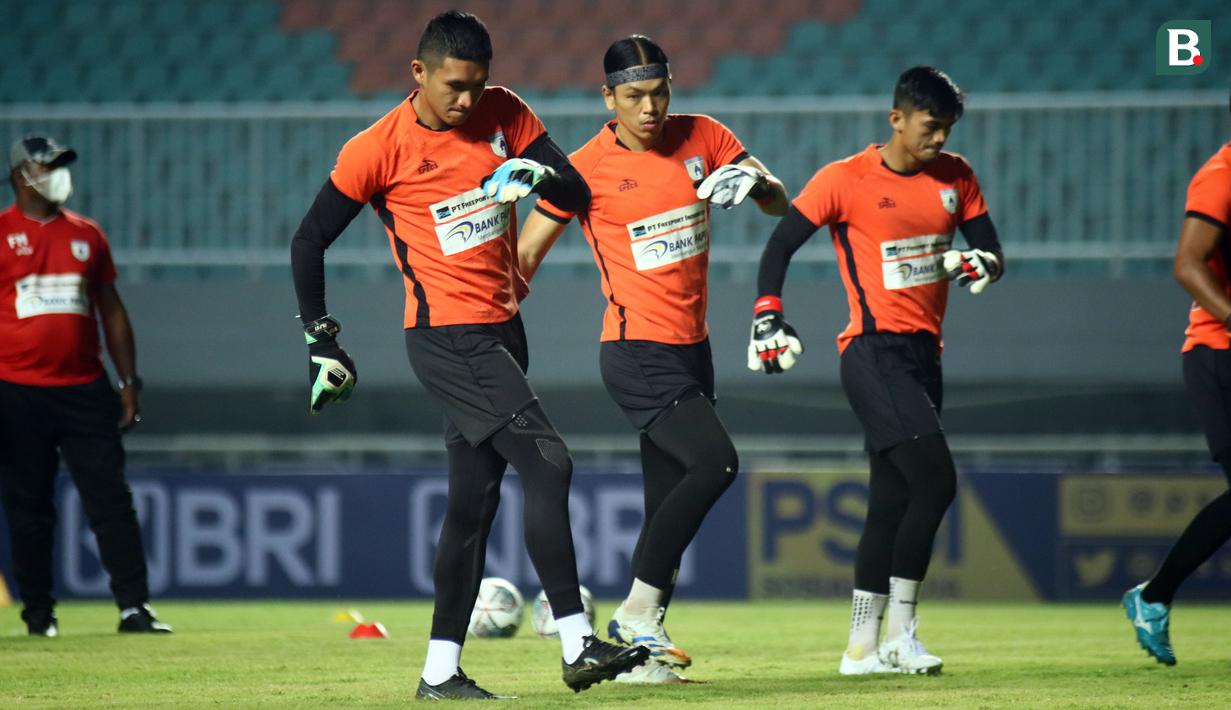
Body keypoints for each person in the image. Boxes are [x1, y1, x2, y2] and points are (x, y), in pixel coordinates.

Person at [288, 11, 647, 699]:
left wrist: (531, 174)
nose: (466, 100)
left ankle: (438, 673)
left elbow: (574, 192)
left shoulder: (503, 111)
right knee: (549, 463)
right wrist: (320, 339)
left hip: (501, 331)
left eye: (478, 85)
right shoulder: (377, 148)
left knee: (470, 510)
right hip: (447, 338)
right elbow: (308, 240)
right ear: (418, 73)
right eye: (455, 85)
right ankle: (576, 643)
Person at [517, 34, 787, 683]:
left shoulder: (705, 137)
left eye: (659, 91)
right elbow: (524, 256)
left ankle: (641, 654)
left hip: (694, 350)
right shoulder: (581, 169)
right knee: (715, 462)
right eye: (634, 96)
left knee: (666, 494)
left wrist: (753, 181)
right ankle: (636, 617)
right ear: (607, 97)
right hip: (636, 350)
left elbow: (780, 202)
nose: (650, 107)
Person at [749, 67, 1004, 675]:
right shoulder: (846, 179)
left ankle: (862, 650)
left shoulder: (957, 176)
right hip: (871, 352)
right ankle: (901, 635)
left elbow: (993, 249)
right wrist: (768, 315)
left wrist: (982, 264)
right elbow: (780, 245)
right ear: (896, 119)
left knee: (890, 500)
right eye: (929, 126)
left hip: (924, 356)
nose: (938, 138)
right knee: (936, 483)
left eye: (946, 129)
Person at [0, 135, 170, 636]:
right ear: (20, 175)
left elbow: (111, 310)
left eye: (61, 164)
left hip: (83, 387)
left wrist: (129, 381)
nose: (57, 173)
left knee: (110, 500)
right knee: (29, 505)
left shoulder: (87, 235)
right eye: (47, 165)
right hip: (15, 389)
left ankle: (134, 608)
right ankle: (38, 614)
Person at [1122, 105, 1231, 667]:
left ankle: (1154, 596)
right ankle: (1154, 595)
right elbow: (1187, 264)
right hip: (1219, 352)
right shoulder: (1222, 175)